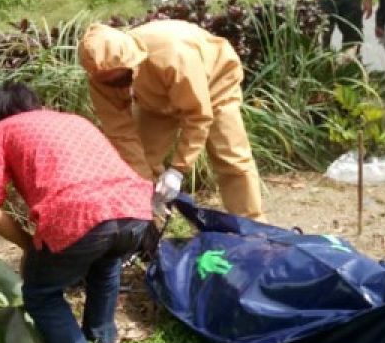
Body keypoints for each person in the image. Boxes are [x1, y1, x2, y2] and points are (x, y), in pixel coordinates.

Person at [0, 82, 154, 343]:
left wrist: (29, 245)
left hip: (79, 216)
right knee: (106, 260)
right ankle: (102, 338)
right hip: (136, 210)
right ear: (37, 104)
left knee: (41, 292)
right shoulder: (73, 120)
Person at [78, 19, 265, 221]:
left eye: (123, 78)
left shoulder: (174, 56)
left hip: (214, 84)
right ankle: (149, 226)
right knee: (142, 161)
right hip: (155, 99)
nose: (119, 86)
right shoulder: (101, 78)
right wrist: (145, 188)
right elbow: (120, 134)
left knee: (231, 157)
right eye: (111, 83)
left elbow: (197, 116)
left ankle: (252, 227)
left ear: (133, 61)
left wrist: (178, 170)